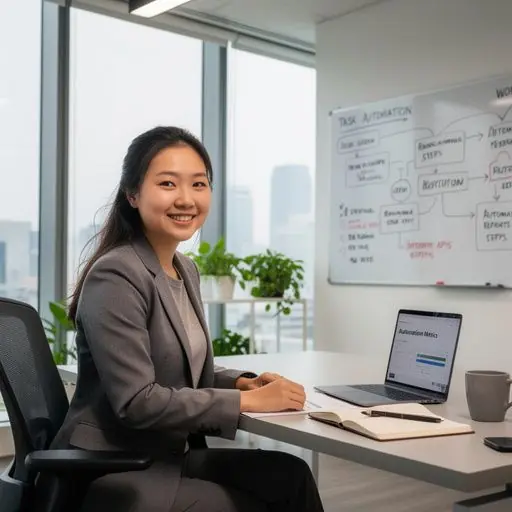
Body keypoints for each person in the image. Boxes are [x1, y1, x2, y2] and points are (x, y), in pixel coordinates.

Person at [51, 126, 324, 512]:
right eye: (167, 183)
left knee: (291, 476)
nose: (186, 199)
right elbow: (138, 401)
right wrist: (249, 403)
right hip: (115, 464)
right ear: (132, 194)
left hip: (166, 452)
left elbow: (181, 371)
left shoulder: (185, 270)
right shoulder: (116, 274)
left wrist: (245, 383)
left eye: (198, 184)